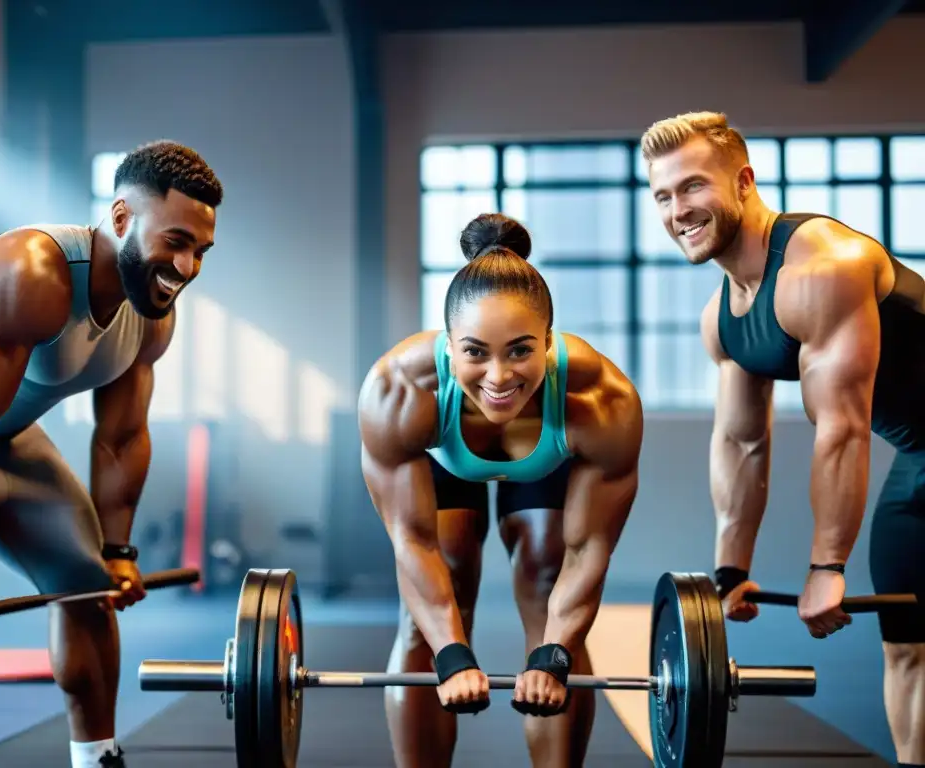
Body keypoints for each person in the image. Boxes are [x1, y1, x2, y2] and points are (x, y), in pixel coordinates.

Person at [0, 140, 222, 768]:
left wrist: (118, 552)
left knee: (88, 586)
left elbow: (122, 437)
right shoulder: (28, 272)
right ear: (124, 218)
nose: (186, 267)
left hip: (8, 442)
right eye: (176, 242)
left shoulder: (152, 313)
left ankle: (96, 757)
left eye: (201, 252)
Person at [641, 110, 925, 767]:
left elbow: (843, 427)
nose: (677, 210)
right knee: (907, 645)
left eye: (692, 187)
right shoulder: (724, 317)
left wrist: (827, 566)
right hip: (919, 457)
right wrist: (730, 570)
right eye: (662, 195)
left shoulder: (822, 267)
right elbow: (742, 443)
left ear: (744, 180)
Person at [357, 213, 643, 768]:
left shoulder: (601, 401)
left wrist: (554, 655)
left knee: (546, 571)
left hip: (547, 461)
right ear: (447, 346)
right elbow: (411, 541)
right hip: (442, 459)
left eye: (519, 350)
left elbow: (589, 550)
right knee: (441, 585)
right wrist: (452, 653)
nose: (497, 376)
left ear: (548, 340)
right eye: (475, 352)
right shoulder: (399, 391)